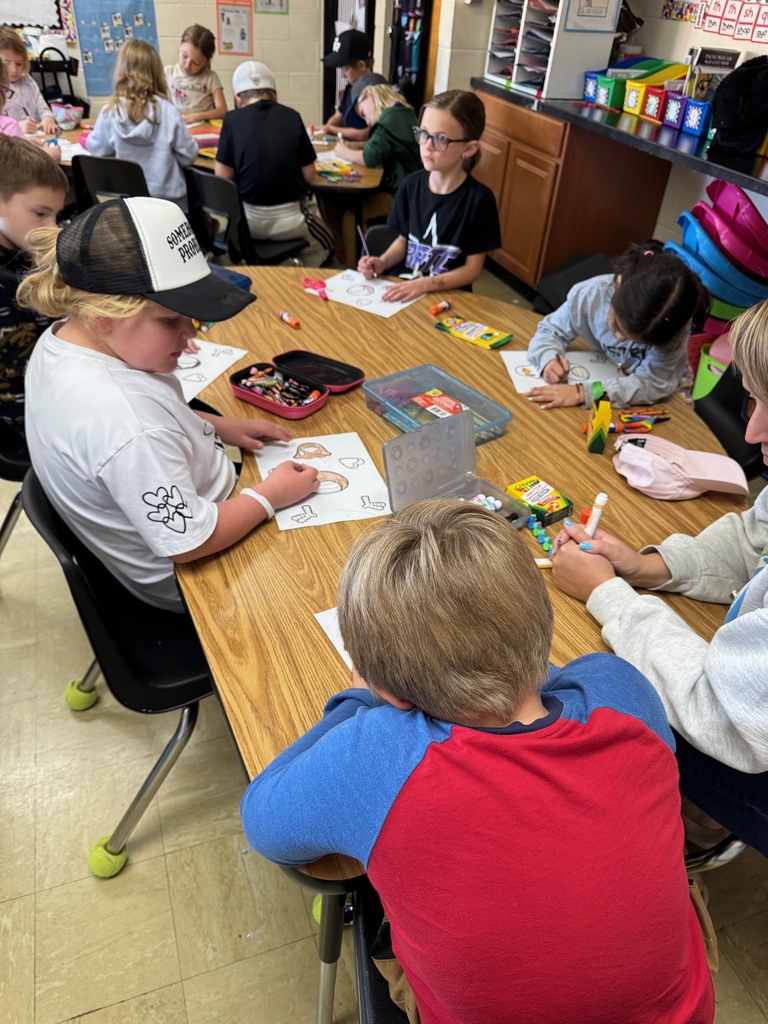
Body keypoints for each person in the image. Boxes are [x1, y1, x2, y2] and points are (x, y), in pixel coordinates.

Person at [240, 499, 714, 1024]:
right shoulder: (622, 689)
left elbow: (264, 823)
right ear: (543, 627)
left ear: (391, 694)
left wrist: (358, 701)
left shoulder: (379, 753)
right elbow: (564, 674)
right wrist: (500, 656)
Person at [17, 197, 319, 611]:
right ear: (105, 314)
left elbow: (142, 424)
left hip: (196, 511)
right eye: (169, 319)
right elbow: (190, 542)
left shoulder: (64, 338)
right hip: (198, 580)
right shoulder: (126, 423)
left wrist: (216, 426)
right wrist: (272, 495)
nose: (190, 333)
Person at [549, 299, 768, 856]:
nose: (753, 432)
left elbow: (713, 710)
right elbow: (754, 538)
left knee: (596, 711)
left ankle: (691, 834)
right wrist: (647, 566)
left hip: (744, 742)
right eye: (755, 399)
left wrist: (608, 594)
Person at [525, 241, 710, 409]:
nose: (619, 339)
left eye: (636, 340)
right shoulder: (590, 295)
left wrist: (584, 393)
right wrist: (547, 359)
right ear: (618, 284)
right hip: (609, 370)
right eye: (619, 326)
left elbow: (652, 384)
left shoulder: (671, 327)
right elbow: (550, 330)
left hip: (663, 385)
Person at [358, 90, 501, 301]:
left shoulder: (479, 200)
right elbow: (404, 241)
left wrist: (425, 284)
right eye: (423, 133)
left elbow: (472, 270)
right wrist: (383, 262)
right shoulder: (410, 185)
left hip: (449, 298)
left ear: (469, 149)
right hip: (406, 289)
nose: (427, 145)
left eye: (440, 139)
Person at [215, 60, 333, 267]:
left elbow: (222, 176)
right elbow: (310, 176)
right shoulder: (292, 117)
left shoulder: (231, 120)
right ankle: (297, 277)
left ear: (237, 98)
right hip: (291, 220)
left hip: (246, 221)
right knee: (327, 245)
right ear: (275, 94)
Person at [0, 135, 67, 437]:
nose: (53, 228)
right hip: (30, 424)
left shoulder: (20, 253)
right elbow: (42, 373)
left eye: (57, 216)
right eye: (40, 214)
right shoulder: (8, 289)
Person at [87, 39, 198, 209]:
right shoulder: (168, 111)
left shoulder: (110, 112)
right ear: (156, 73)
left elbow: (97, 150)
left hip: (129, 206)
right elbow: (188, 156)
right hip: (170, 206)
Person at [335, 78, 421, 193]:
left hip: (398, 193)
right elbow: (385, 145)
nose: (367, 123)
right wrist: (355, 145)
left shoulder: (389, 119)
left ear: (369, 93)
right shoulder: (405, 111)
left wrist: (341, 150)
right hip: (412, 188)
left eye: (363, 114)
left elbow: (368, 158)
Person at [164, 24, 227, 124]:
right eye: (184, 56)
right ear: (180, 45)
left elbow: (222, 111)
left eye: (196, 63)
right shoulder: (167, 73)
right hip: (177, 126)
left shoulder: (210, 78)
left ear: (206, 62)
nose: (187, 65)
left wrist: (194, 117)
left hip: (202, 127)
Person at [319, 29, 374, 141]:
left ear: (361, 65)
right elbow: (339, 116)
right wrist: (324, 131)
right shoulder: (350, 87)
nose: (343, 75)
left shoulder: (373, 93)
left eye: (346, 69)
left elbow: (366, 134)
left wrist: (331, 129)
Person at [0, 28, 57, 135]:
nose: (14, 70)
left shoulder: (27, 81)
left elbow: (43, 109)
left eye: (19, 64)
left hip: (36, 138)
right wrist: (17, 127)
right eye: (7, 64)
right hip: (11, 143)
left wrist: (47, 118)